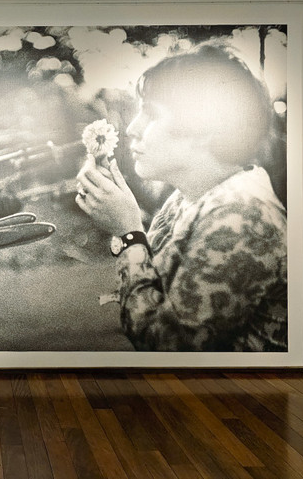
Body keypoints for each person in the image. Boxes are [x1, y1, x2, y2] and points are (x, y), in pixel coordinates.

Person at [76, 44, 287, 352]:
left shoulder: (243, 215)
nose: (133, 129)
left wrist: (128, 233)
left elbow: (168, 347)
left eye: (151, 114)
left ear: (204, 126)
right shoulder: (189, 197)